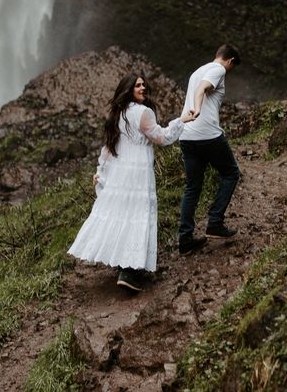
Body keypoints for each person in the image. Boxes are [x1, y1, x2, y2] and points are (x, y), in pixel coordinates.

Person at [68, 72, 195, 292]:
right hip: (137, 171)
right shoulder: (143, 112)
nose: (143, 88)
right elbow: (161, 137)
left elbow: (109, 147)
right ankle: (130, 270)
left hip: (120, 170)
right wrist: (181, 121)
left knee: (121, 214)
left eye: (144, 85)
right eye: (137, 85)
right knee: (138, 214)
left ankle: (122, 263)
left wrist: (102, 170)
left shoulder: (119, 113)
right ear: (128, 89)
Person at [178, 44, 241, 255]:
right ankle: (215, 222)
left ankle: (185, 240)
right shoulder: (218, 69)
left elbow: (200, 86)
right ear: (230, 61)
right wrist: (197, 108)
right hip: (207, 134)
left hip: (186, 135)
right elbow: (201, 89)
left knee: (192, 187)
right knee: (231, 173)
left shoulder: (198, 70)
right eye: (232, 67)